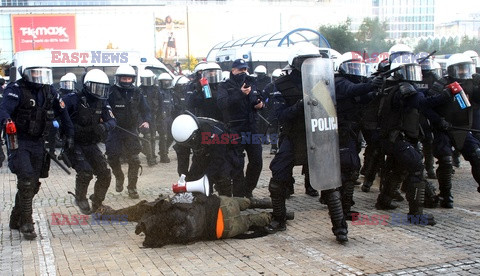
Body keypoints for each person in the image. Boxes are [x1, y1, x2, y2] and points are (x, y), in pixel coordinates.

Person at [264, 44, 348, 243]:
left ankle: (340, 227)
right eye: (306, 60)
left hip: (319, 134)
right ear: (296, 62)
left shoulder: (323, 81)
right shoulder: (282, 85)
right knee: (278, 175)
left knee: (329, 181)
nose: (311, 64)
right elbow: (279, 116)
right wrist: (299, 106)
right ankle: (279, 218)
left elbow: (331, 109)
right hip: (294, 136)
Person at [0, 64, 74, 240]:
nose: (38, 76)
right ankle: (26, 222)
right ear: (26, 73)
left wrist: (70, 135)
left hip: (38, 142)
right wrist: (7, 120)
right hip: (19, 141)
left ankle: (16, 216)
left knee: (32, 183)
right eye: (34, 72)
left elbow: (63, 113)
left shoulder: (49, 91)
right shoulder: (15, 89)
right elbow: (3, 110)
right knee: (26, 179)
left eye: (41, 72)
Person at [374, 50, 447, 225]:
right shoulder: (403, 89)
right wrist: (445, 95)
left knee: (398, 169)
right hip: (397, 138)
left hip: (393, 138)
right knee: (416, 168)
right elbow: (422, 103)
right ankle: (416, 215)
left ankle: (383, 201)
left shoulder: (392, 86)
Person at [97, 192, 272, 248]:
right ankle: (261, 203)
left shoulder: (175, 234)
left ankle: (270, 216)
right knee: (241, 203)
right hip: (223, 204)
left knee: (250, 220)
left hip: (223, 229)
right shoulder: (174, 210)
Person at [334, 52, 383, 219]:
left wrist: (376, 92)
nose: (355, 70)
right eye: (351, 66)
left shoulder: (355, 83)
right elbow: (352, 90)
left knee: (350, 169)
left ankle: (342, 205)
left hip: (352, 131)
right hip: (341, 131)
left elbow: (363, 98)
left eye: (357, 66)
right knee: (349, 168)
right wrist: (371, 84)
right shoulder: (339, 81)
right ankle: (342, 208)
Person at [63, 69, 116, 214]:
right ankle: (80, 197)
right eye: (96, 87)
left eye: (102, 88)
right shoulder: (72, 99)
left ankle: (97, 202)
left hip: (91, 143)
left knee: (105, 173)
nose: (99, 92)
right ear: (87, 85)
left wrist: (103, 126)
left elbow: (112, 121)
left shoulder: (102, 102)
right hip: (74, 143)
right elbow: (58, 116)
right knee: (85, 171)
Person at [217, 59, 264, 198]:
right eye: (240, 69)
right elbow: (222, 103)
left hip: (252, 128)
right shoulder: (225, 85)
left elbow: (258, 98)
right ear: (233, 70)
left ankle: (247, 189)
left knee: (257, 161)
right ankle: (238, 195)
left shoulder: (251, 82)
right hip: (235, 128)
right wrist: (239, 93)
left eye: (245, 69)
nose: (243, 72)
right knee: (237, 164)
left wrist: (260, 105)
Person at [106, 64, 151, 199]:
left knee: (135, 159)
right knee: (112, 157)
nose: (126, 81)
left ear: (132, 79)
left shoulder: (137, 93)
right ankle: (119, 176)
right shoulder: (110, 92)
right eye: (123, 79)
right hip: (114, 130)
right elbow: (103, 108)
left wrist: (146, 121)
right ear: (118, 79)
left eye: (129, 79)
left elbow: (146, 110)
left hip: (131, 130)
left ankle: (132, 188)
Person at [171, 113, 233, 196]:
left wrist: (206, 177)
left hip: (223, 152)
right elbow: (182, 157)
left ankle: (226, 199)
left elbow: (218, 159)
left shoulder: (216, 133)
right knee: (193, 179)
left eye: (190, 142)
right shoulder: (182, 134)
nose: (188, 145)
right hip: (201, 153)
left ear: (195, 134)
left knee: (222, 177)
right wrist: (183, 176)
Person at [138, 69, 160, 166]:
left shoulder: (156, 90)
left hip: (153, 117)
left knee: (153, 138)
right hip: (143, 118)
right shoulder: (139, 90)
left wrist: (160, 116)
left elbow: (161, 103)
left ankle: (152, 155)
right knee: (147, 137)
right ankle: (150, 158)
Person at [157, 72, 175, 163]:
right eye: (164, 81)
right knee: (163, 136)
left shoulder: (171, 91)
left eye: (168, 81)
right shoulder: (158, 92)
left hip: (170, 116)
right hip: (161, 117)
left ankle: (164, 150)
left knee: (172, 135)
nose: (166, 83)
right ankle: (163, 155)